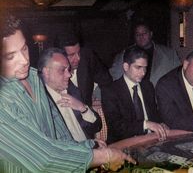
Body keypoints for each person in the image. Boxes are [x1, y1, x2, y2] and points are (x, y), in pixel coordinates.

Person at [0, 13, 135, 172]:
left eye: (24, 48)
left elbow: (59, 133)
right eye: (10, 56)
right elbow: (46, 160)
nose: (24, 60)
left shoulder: (34, 78)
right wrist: (104, 156)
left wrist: (88, 146)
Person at [101, 46, 169, 144]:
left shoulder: (147, 86)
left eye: (145, 68)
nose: (143, 73)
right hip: (124, 144)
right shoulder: (111, 90)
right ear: (126, 66)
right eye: (138, 67)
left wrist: (161, 124)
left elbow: (153, 114)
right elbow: (116, 127)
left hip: (151, 140)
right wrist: (145, 124)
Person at [38, 47, 103, 142]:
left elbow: (97, 127)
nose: (69, 75)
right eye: (62, 70)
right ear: (46, 72)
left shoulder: (72, 90)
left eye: (68, 69)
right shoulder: (41, 102)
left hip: (89, 147)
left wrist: (82, 108)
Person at [109, 21, 181, 86]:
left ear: (151, 34)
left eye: (144, 33)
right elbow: (114, 77)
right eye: (138, 34)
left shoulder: (169, 54)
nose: (141, 36)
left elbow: (178, 78)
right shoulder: (124, 55)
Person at [58, 34, 112, 106]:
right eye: (71, 55)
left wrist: (99, 97)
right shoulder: (54, 73)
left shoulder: (87, 57)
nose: (78, 58)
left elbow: (106, 81)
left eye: (79, 53)